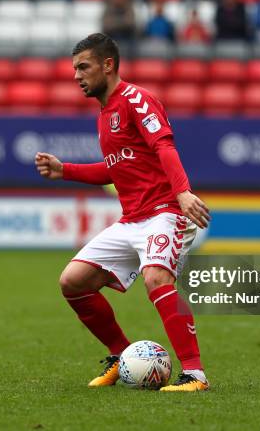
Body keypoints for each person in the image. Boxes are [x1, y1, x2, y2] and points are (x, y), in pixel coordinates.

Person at [35, 33, 211, 392]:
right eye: (74, 69)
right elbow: (115, 169)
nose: (76, 75)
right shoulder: (105, 113)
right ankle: (121, 355)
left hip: (165, 211)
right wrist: (64, 170)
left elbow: (163, 145)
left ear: (108, 65)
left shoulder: (136, 99)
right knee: (73, 281)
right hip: (132, 219)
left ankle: (194, 374)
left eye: (83, 67)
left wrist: (182, 193)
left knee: (156, 278)